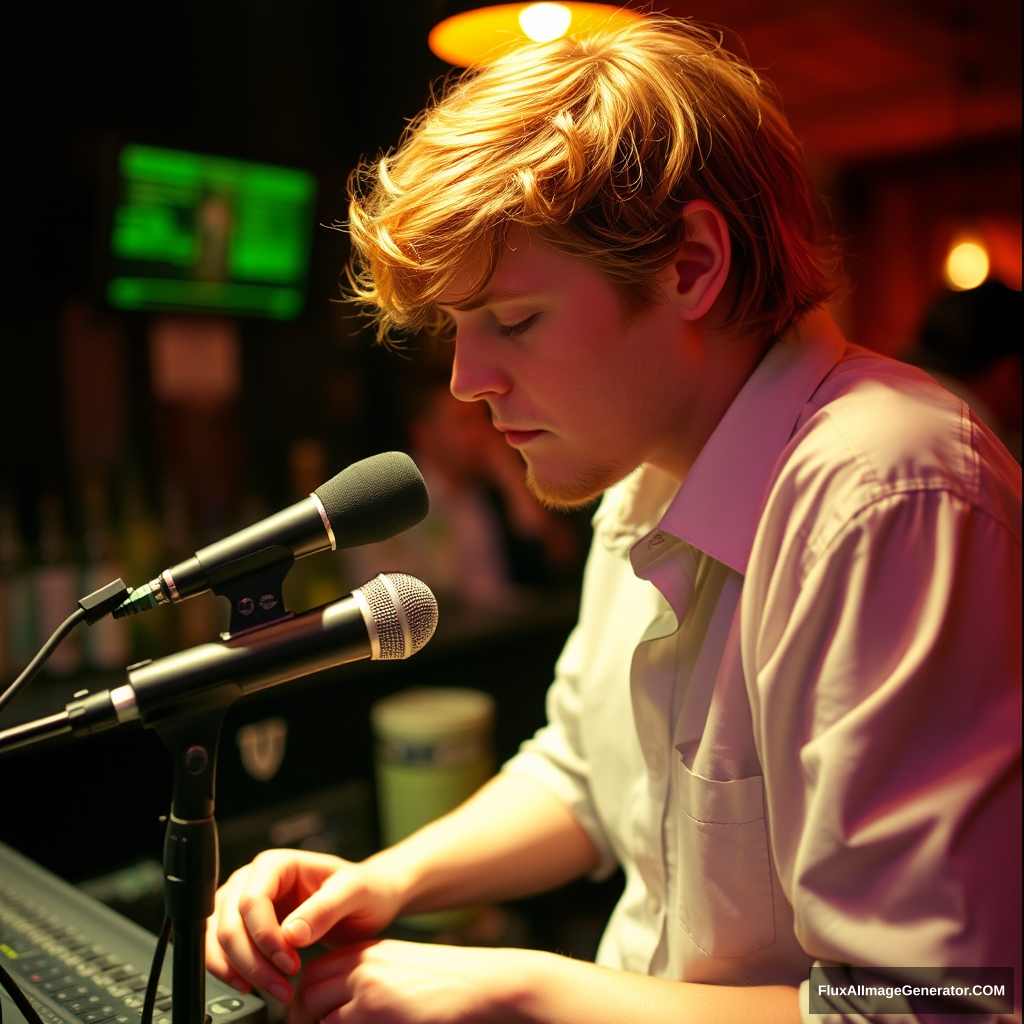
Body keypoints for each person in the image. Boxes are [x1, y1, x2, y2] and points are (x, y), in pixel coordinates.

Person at [206, 17, 1022, 1024]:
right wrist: (382, 881)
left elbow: (941, 1007)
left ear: (689, 264)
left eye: (513, 320)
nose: (469, 381)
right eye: (459, 332)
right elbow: (585, 773)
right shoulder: (645, 468)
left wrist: (521, 987)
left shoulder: (886, 493)